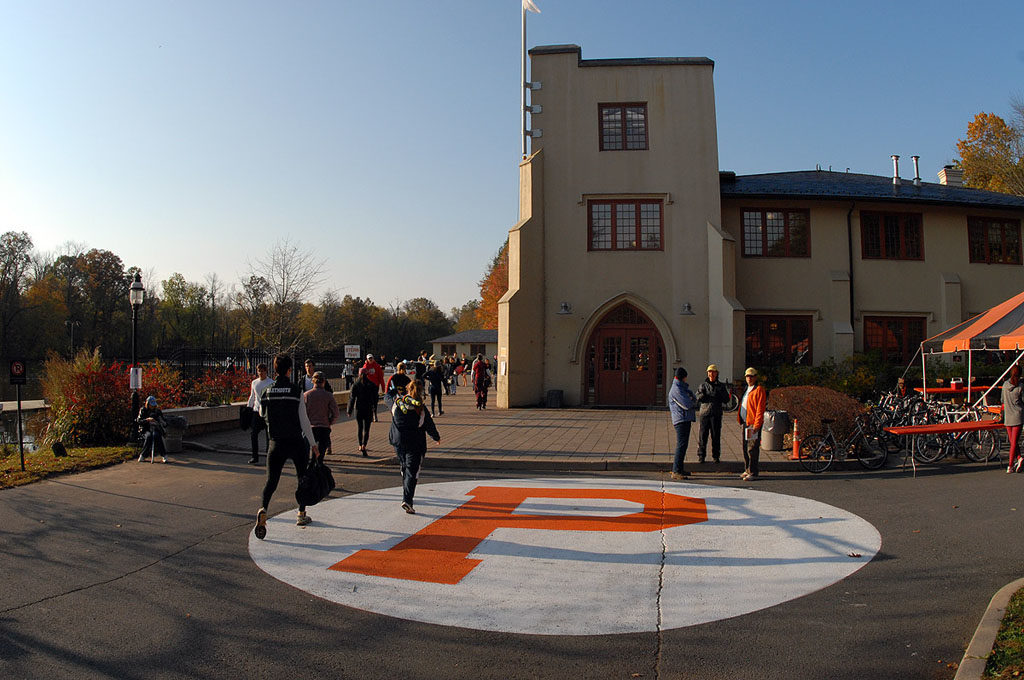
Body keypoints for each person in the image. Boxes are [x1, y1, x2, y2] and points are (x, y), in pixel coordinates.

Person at [253, 353, 320, 540]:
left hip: (275, 442)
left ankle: (263, 509)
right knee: (301, 478)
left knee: (271, 481)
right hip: (295, 441)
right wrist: (313, 444)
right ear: (289, 370)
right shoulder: (295, 390)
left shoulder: (267, 391)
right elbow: (304, 419)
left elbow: (261, 412)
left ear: (274, 370)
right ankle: (301, 513)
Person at [388, 380, 440, 514]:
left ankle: (405, 484)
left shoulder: (397, 404)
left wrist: (393, 393)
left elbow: (387, 398)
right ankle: (407, 499)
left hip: (398, 441)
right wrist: (436, 437)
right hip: (415, 442)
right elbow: (429, 423)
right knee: (412, 471)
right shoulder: (421, 408)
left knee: (405, 466)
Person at [696, 364, 730, 463]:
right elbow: (697, 398)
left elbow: (727, 399)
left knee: (716, 436)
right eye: (709, 372)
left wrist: (721, 394)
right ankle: (701, 455)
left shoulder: (721, 386)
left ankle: (716, 455)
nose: (711, 374)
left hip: (716, 414)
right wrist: (702, 394)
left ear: (716, 373)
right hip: (705, 413)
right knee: (703, 435)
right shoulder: (703, 385)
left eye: (713, 372)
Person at [737, 367, 767, 481]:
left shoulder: (759, 390)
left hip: (753, 423)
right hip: (746, 422)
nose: (749, 378)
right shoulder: (748, 389)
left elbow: (760, 409)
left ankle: (753, 471)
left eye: (751, 376)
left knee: (752, 449)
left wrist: (757, 425)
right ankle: (747, 469)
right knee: (745, 447)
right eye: (747, 376)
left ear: (755, 377)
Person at [668, 367, 697, 479]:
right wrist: (691, 400)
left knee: (683, 445)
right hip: (681, 419)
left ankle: (680, 468)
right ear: (682, 377)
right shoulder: (677, 389)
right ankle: (676, 470)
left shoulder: (681, 388)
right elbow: (687, 404)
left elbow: (692, 398)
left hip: (684, 418)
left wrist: (691, 398)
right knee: (681, 445)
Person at [304, 371, 339, 459]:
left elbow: (301, 413)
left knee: (310, 452)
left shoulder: (306, 395)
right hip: (324, 427)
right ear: (324, 382)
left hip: (310, 427)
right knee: (321, 454)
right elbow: (336, 413)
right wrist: (330, 422)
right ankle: (318, 466)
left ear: (313, 381)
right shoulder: (328, 396)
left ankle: (311, 468)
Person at [246, 363, 274, 465]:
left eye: (262, 371)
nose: (261, 373)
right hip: (256, 411)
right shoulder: (254, 383)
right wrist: (249, 408)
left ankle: (269, 457)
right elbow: (252, 396)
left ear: (266, 371)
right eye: (259, 371)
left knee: (268, 436)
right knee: (253, 434)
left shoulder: (271, 383)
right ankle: (254, 456)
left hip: (267, 412)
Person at [348, 368, 378, 456]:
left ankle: (360, 444)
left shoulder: (356, 384)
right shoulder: (372, 385)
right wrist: (374, 410)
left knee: (360, 428)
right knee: (367, 429)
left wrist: (349, 410)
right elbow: (375, 399)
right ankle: (364, 445)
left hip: (359, 409)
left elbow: (352, 398)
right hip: (368, 409)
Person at [1002, 364, 1023, 474]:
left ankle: (1019, 458)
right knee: (1014, 442)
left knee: (1012, 442)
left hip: (1008, 416)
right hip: (1018, 416)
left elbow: (1002, 400)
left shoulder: (1005, 385)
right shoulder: (1020, 387)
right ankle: (1010, 465)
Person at [136, 395, 168, 464]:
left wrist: (160, 421)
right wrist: (147, 420)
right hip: (145, 429)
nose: (152, 407)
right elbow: (139, 421)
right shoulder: (143, 410)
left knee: (157, 436)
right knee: (149, 436)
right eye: (151, 405)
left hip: (155, 428)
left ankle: (164, 455)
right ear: (148, 404)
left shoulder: (157, 411)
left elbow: (163, 421)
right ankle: (143, 455)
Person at [362, 353, 385, 422]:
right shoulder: (365, 366)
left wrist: (383, 387)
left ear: (373, 358)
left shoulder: (377, 366)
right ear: (367, 359)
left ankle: (375, 414)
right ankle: (370, 415)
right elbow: (362, 376)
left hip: (375, 386)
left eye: (371, 358)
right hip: (368, 386)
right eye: (369, 359)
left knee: (375, 401)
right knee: (369, 401)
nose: (370, 360)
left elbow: (381, 377)